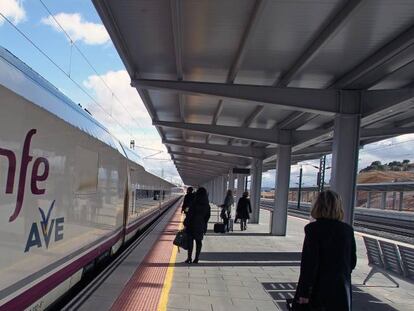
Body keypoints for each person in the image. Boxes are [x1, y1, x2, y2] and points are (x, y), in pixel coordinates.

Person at [294, 190, 357, 311]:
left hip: (318, 289)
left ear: (318, 206)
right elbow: (352, 262)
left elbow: (309, 264)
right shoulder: (347, 230)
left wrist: (304, 292)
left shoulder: (312, 229)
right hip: (341, 289)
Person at [183, 187, 211, 264]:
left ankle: (189, 258)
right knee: (199, 242)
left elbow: (189, 214)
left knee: (190, 242)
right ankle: (196, 259)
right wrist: (204, 224)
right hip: (201, 225)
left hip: (191, 225)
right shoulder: (207, 205)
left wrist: (185, 223)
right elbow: (207, 216)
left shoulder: (194, 203)